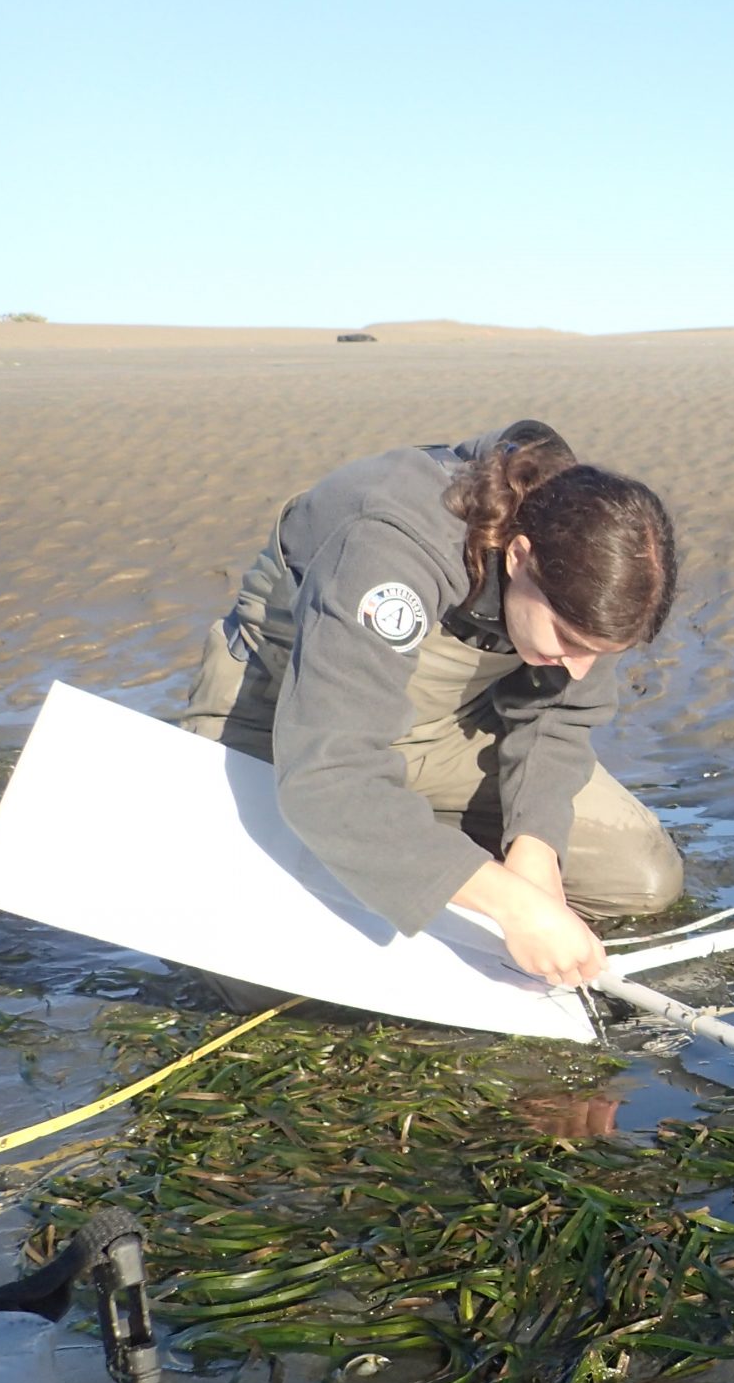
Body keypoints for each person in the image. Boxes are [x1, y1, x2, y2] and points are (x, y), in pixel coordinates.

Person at [179, 421, 684, 987]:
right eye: (568, 640)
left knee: (641, 879)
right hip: (286, 723)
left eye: (600, 652)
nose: (580, 667)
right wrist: (511, 905)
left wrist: (533, 855)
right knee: (256, 975)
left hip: (446, 728)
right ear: (520, 557)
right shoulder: (390, 545)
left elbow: (557, 716)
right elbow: (330, 776)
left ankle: (421, 844)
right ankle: (412, 849)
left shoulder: (595, 579)